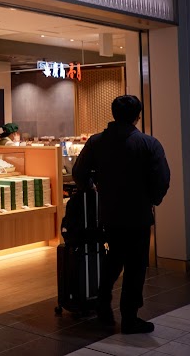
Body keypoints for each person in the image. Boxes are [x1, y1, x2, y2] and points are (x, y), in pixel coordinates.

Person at [72, 95, 169, 334]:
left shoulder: (96, 142)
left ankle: (103, 307)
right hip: (138, 214)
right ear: (138, 116)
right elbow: (161, 178)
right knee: (135, 266)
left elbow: (79, 172)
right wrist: (152, 199)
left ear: (114, 114)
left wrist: (91, 187)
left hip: (109, 213)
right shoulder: (148, 143)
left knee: (112, 260)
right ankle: (129, 318)